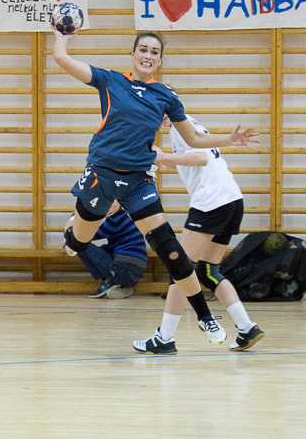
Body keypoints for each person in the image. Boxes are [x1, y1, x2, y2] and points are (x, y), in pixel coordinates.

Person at [50, 24, 259, 345]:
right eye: (143, 50)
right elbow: (62, 60)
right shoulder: (111, 80)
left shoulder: (166, 96)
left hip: (138, 181)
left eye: (155, 52)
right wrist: (61, 39)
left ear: (160, 60)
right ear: (133, 54)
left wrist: (229, 140)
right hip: (100, 176)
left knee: (171, 251)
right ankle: (73, 235)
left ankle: (205, 318)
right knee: (78, 242)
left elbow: (194, 139)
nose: (148, 55)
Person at [132, 114, 264, 355]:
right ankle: (246, 327)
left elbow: (201, 158)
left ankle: (165, 337)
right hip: (232, 199)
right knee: (208, 271)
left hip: (211, 202)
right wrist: (163, 160)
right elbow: (191, 160)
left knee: (180, 269)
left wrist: (163, 156)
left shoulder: (180, 128)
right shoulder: (188, 124)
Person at [70, 199, 148, 299]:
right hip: (133, 275)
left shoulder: (115, 220)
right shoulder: (124, 217)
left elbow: (85, 236)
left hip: (123, 272)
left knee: (79, 245)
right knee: (102, 248)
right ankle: (120, 285)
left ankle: (108, 280)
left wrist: (75, 217)